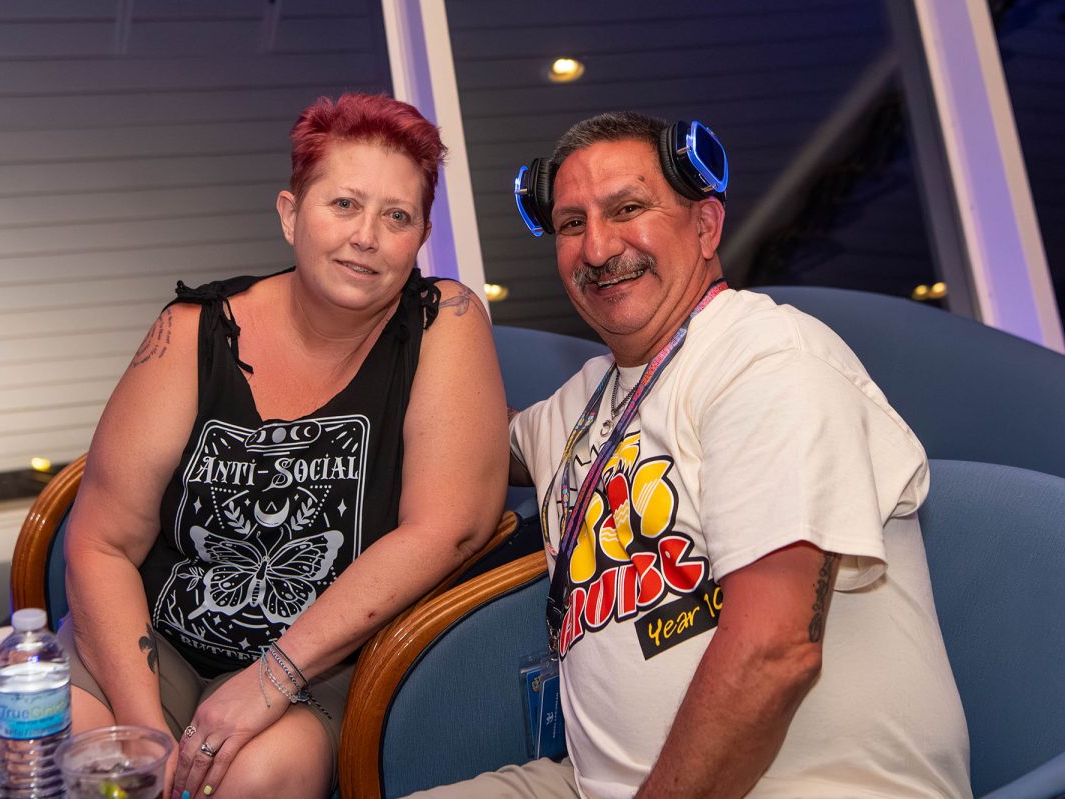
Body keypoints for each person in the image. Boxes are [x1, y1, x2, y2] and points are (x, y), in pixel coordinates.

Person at [416, 112, 970, 797]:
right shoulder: (585, 400)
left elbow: (774, 653)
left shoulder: (765, 359)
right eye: (571, 224)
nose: (597, 247)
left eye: (627, 209)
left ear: (705, 226)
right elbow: (465, 442)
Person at [60, 92, 508, 799]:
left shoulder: (443, 320)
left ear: (421, 236)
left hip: (322, 663)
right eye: (344, 204)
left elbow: (450, 525)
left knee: (254, 776)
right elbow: (100, 540)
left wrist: (269, 679)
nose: (367, 236)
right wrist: (146, 735)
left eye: (397, 217)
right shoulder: (193, 329)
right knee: (79, 754)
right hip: (155, 639)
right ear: (291, 214)